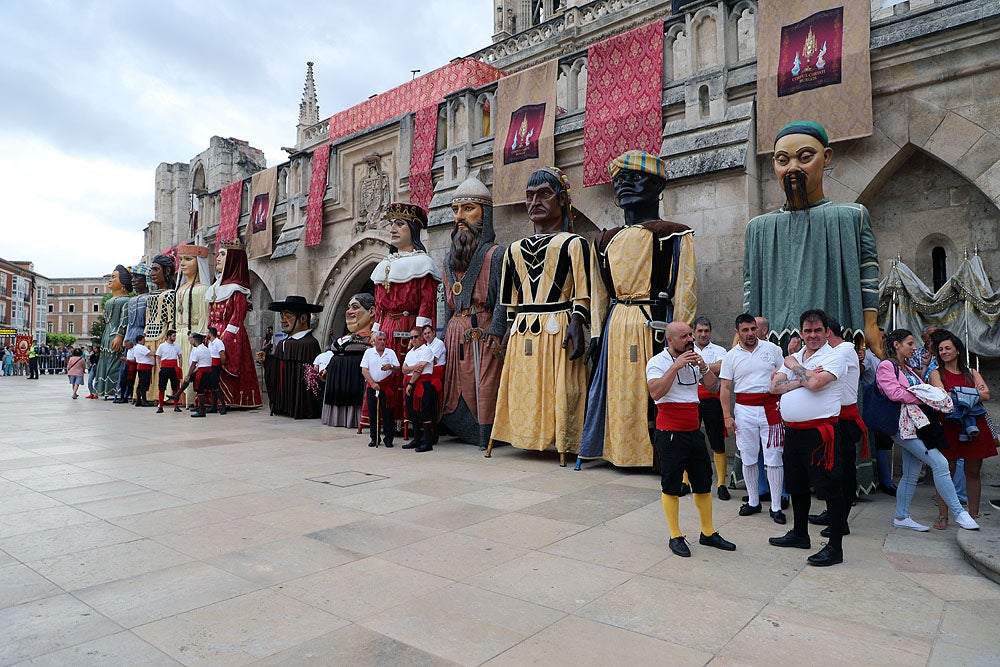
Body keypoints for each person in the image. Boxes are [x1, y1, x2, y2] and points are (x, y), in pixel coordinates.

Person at [579, 151, 696, 470]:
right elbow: (598, 294)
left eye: (636, 177)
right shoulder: (603, 240)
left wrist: (681, 334)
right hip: (616, 323)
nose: (625, 185)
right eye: (619, 180)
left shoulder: (675, 234)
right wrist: (596, 334)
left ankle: (656, 456)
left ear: (658, 185)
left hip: (655, 323)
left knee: (654, 388)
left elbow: (685, 288)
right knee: (617, 392)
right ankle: (617, 450)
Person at [743, 121, 882, 357]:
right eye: (783, 160)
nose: (792, 168)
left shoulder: (851, 216)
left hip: (836, 341)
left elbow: (867, 273)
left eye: (805, 157)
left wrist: (870, 323)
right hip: (774, 348)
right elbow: (749, 285)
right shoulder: (758, 228)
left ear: (826, 157)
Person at [490, 167, 591, 467]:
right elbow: (510, 298)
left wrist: (578, 322)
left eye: (544, 194)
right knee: (521, 387)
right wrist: (508, 328)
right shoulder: (513, 249)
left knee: (559, 388)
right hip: (523, 328)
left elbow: (583, 290)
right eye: (530, 196)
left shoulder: (575, 243)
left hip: (558, 324)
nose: (535, 201)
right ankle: (521, 436)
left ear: (561, 200)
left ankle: (562, 441)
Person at [646, 321, 735, 558]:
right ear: (671, 340)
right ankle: (675, 535)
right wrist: (675, 367)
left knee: (703, 483)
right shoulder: (657, 362)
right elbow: (655, 392)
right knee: (672, 485)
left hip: (694, 431)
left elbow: (714, 388)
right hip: (670, 433)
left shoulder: (694, 359)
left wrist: (705, 368)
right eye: (684, 336)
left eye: (690, 335)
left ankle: (708, 532)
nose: (690, 340)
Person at [768, 309, 848, 567]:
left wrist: (795, 369)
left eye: (817, 331)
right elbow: (774, 387)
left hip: (819, 434)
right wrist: (803, 376)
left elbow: (816, 384)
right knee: (796, 486)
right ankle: (800, 533)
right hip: (793, 432)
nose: (812, 335)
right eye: (808, 331)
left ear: (827, 332)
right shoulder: (797, 357)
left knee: (829, 489)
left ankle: (835, 547)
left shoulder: (834, 358)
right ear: (801, 333)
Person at [878, 329, 979, 531]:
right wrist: (926, 396)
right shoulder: (886, 366)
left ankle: (901, 516)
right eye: (909, 343)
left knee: (910, 473)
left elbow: (918, 389)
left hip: (916, 425)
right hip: (902, 426)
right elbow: (895, 393)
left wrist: (926, 392)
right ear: (896, 345)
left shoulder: (908, 368)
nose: (914, 347)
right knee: (940, 464)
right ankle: (960, 513)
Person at [440, 176, 507, 447]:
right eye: (456, 210)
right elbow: (447, 303)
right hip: (456, 335)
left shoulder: (497, 254)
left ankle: (487, 434)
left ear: (485, 214)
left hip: (485, 332)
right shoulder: (448, 259)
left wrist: (498, 328)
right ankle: (458, 427)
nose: (460, 217)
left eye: (468, 209)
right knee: (455, 388)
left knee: (485, 387)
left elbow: (504, 297)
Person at [720, 313, 786, 523]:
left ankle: (776, 506)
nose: (750, 333)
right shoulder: (731, 356)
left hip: (771, 408)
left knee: (774, 457)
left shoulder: (773, 350)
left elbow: (784, 375)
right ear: (737, 332)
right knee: (748, 457)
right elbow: (725, 388)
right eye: (745, 330)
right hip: (744, 410)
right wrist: (727, 416)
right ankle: (753, 502)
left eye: (753, 329)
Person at [808, 316, 867, 537]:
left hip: (844, 419)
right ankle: (833, 513)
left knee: (842, 471)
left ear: (828, 333)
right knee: (835, 469)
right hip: (835, 418)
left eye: (818, 333)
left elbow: (814, 375)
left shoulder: (840, 352)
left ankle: (840, 522)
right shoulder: (840, 352)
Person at [929, 332, 995, 523]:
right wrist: (973, 393)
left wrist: (958, 393)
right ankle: (943, 516)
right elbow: (943, 396)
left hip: (974, 426)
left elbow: (987, 395)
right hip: (949, 425)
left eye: (948, 348)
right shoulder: (936, 373)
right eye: (940, 349)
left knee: (973, 472)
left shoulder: (972, 372)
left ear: (958, 350)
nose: (944, 352)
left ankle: (973, 515)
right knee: (945, 472)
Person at [370, 202, 441, 366]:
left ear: (413, 229)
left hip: (409, 329)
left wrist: (419, 333)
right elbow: (379, 306)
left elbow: (427, 303)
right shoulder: (384, 264)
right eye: (392, 224)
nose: (392, 229)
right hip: (385, 330)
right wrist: (375, 330)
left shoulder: (423, 263)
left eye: (400, 224)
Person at [206, 241, 262, 408]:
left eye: (223, 254)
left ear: (233, 259)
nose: (217, 258)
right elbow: (210, 316)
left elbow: (237, 318)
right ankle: (212, 400)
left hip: (230, 336)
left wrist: (224, 339)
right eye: (218, 254)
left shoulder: (237, 289)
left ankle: (231, 400)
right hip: (213, 334)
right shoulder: (214, 288)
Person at [257, 295, 323, 419]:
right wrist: (268, 359)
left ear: (303, 318)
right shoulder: (283, 343)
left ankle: (299, 407)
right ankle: (284, 405)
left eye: (288, 316)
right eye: (282, 316)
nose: (283, 320)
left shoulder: (310, 344)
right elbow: (278, 368)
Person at [321, 293, 374, 429]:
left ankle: (354, 418)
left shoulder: (373, 339)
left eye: (355, 307)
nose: (349, 312)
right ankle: (336, 417)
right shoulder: (344, 338)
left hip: (354, 375)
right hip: (338, 376)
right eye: (348, 307)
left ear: (372, 311)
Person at [692, 316, 728, 498]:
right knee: (688, 439)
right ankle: (684, 481)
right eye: (700, 331)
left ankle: (721, 483)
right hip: (690, 400)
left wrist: (699, 367)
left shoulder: (719, 350)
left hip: (713, 399)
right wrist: (708, 369)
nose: (703, 334)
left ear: (711, 332)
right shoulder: (686, 349)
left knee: (717, 440)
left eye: (706, 331)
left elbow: (722, 367)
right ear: (693, 332)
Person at [175, 245, 213, 405]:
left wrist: (200, 338)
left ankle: (191, 399)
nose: (182, 264)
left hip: (194, 336)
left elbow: (205, 317)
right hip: (179, 336)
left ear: (200, 263)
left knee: (191, 370)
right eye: (181, 259)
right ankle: (178, 397)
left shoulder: (203, 289)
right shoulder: (180, 289)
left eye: (188, 259)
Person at [95, 265, 132, 397]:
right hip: (107, 335)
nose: (110, 280)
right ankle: (104, 388)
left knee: (114, 363)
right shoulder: (111, 300)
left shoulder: (126, 301)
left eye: (113, 277)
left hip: (116, 335)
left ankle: (114, 389)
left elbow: (125, 319)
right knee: (105, 361)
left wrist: (120, 335)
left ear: (123, 282)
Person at [144, 254, 177, 399]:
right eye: (151, 270)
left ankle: (160, 396)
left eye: (156, 269)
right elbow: (148, 317)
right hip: (149, 336)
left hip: (162, 336)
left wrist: (168, 338)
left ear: (167, 271)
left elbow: (171, 319)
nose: (152, 274)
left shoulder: (170, 294)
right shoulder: (151, 295)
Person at [360, 331, 400, 448]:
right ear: (375, 341)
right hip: (373, 387)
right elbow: (364, 370)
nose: (382, 342)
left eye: (384, 340)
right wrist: (372, 383)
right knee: (373, 413)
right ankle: (374, 438)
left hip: (386, 387)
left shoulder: (390, 353)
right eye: (380, 340)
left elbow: (398, 369)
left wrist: (390, 367)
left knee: (388, 414)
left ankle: (389, 438)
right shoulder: (368, 352)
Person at [401, 328, 438, 452]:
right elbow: (404, 369)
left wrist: (411, 383)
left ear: (421, 337)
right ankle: (417, 439)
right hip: (410, 383)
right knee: (412, 412)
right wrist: (413, 367)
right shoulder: (410, 352)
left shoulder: (426, 350)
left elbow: (420, 369)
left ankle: (427, 442)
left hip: (422, 384)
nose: (413, 339)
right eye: (411, 337)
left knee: (425, 413)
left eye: (416, 337)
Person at [184, 332, 213, 418]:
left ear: (195, 341)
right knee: (203, 391)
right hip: (208, 371)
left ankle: (201, 411)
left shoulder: (198, 350)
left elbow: (193, 365)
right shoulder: (206, 349)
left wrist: (188, 374)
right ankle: (178, 394)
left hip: (202, 371)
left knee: (200, 391)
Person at [155, 329, 183, 413]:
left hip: (174, 367)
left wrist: (180, 366)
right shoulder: (162, 346)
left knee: (175, 387)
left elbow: (180, 356)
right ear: (168, 336)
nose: (175, 337)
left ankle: (176, 406)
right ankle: (160, 406)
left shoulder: (177, 346)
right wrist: (159, 368)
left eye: (175, 336)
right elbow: (158, 357)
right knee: (162, 387)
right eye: (173, 336)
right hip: (164, 368)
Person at [205, 327, 227, 414]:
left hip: (215, 366)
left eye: (207, 333)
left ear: (210, 334)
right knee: (212, 386)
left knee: (216, 386)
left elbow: (222, 355)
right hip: (210, 366)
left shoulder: (218, 342)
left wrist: (222, 364)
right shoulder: (210, 343)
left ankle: (223, 405)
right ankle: (213, 406)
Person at [132, 335, 155, 407]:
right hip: (145, 367)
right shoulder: (141, 347)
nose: (144, 341)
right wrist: (157, 351)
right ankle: (144, 401)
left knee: (140, 384)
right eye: (143, 340)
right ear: (140, 340)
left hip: (142, 367)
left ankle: (139, 400)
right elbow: (151, 353)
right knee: (143, 385)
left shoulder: (136, 348)